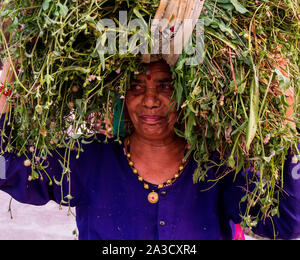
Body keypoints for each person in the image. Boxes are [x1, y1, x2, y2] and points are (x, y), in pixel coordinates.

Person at [0, 57, 300, 240]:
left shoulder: (218, 163)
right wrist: (8, 90)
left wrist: (287, 129)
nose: (150, 100)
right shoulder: (88, 158)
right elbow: (7, 169)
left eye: (166, 86)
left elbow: (287, 223)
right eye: (136, 87)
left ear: (190, 94)